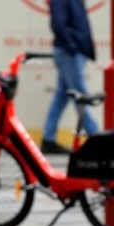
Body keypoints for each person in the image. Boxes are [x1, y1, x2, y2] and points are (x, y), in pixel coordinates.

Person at [41, 0, 98, 155]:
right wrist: (73, 47)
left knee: (62, 96)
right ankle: (95, 136)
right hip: (69, 53)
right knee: (80, 94)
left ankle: (48, 137)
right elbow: (59, 24)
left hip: (72, 51)